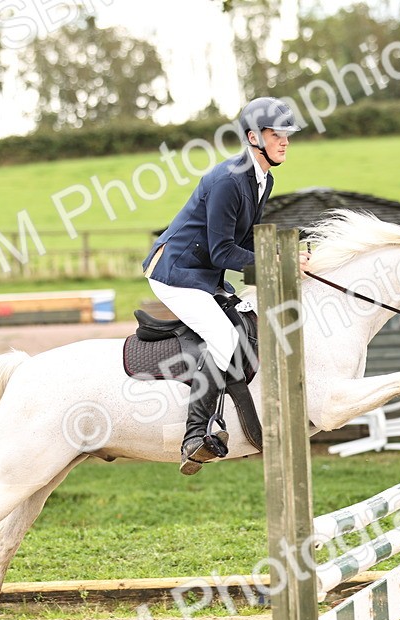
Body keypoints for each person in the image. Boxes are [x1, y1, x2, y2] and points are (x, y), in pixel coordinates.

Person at [142, 97, 304, 475]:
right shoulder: (229, 180)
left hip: (203, 275)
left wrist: (285, 255)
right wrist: (280, 262)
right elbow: (221, 251)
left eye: (287, 135)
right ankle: (194, 436)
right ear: (253, 137)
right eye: (276, 134)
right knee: (225, 340)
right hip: (176, 273)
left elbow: (245, 243)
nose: (284, 142)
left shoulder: (263, 178)